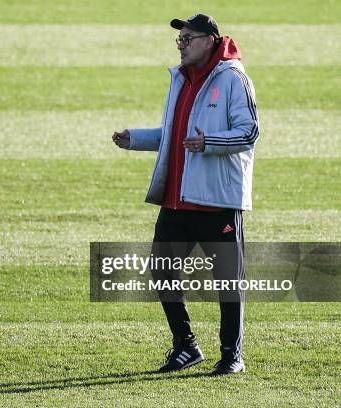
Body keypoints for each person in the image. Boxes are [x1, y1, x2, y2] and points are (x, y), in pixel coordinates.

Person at [112, 14, 259, 375]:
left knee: (227, 280)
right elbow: (177, 132)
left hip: (216, 202)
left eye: (188, 38)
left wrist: (209, 143)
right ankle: (186, 346)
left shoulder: (233, 79)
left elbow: (249, 132)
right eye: (179, 39)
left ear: (210, 40)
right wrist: (138, 139)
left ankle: (231, 356)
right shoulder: (181, 79)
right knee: (162, 272)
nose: (181, 44)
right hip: (177, 200)